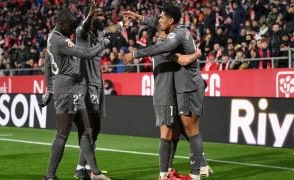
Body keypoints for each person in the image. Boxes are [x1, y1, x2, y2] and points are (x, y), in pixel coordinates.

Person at [124, 4, 211, 180]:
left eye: (162, 18)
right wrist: (138, 17)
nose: (159, 20)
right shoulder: (178, 33)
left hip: (187, 86)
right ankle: (198, 167)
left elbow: (177, 55)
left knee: (190, 129)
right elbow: (183, 57)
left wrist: (135, 55)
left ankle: (195, 172)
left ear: (170, 21)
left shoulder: (173, 39)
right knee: (182, 131)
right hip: (182, 87)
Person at [39, 9, 110, 180]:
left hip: (70, 88)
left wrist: (48, 89)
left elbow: (48, 65)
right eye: (70, 26)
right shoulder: (62, 41)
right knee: (63, 131)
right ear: (62, 24)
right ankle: (49, 175)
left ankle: (95, 173)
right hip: (67, 89)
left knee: (86, 129)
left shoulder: (51, 38)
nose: (72, 29)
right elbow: (86, 54)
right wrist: (103, 44)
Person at [73, 2, 128, 179]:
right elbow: (83, 25)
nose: (103, 18)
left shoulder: (99, 32)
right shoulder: (81, 33)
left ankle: (82, 167)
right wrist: (90, 13)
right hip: (85, 86)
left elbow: (111, 28)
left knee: (95, 128)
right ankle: (90, 170)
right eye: (99, 15)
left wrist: (122, 24)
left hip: (97, 84)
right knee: (88, 128)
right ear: (89, 17)